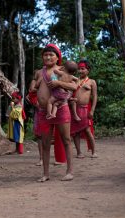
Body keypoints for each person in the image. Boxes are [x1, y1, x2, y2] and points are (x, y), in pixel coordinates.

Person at [36, 44, 77, 182]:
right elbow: (34, 87)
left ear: (57, 57)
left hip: (61, 108)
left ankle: (70, 171)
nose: (48, 57)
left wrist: (59, 84)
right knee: (46, 143)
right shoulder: (39, 72)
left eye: (51, 55)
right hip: (43, 112)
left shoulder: (62, 70)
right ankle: (46, 174)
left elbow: (74, 85)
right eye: (45, 54)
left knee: (66, 140)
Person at [70, 60, 97, 158]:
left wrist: (92, 110)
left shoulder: (91, 82)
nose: (80, 71)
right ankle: (79, 153)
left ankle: (94, 152)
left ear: (88, 70)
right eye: (79, 69)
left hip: (85, 110)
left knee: (87, 131)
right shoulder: (74, 80)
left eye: (83, 69)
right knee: (76, 132)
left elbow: (94, 97)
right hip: (74, 109)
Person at [27, 70, 43, 166]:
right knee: (40, 135)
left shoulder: (51, 76)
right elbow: (30, 94)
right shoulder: (35, 81)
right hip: (39, 109)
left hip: (50, 108)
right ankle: (41, 158)